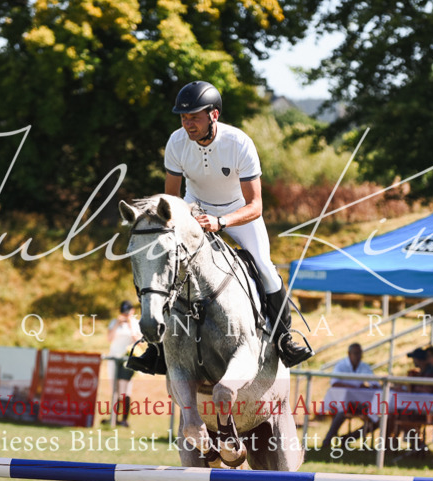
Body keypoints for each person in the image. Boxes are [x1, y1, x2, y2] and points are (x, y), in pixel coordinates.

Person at [127, 80, 313, 375]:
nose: (188, 124)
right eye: (184, 117)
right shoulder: (176, 142)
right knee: (167, 264)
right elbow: (172, 199)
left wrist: (221, 222)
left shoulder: (239, 143)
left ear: (213, 115)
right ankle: (156, 348)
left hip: (237, 212)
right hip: (193, 207)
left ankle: (284, 339)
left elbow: (256, 206)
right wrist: (178, 223)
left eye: (194, 117)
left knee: (264, 266)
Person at [322, 343, 378, 445]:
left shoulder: (364, 367)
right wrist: (355, 386)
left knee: (377, 419)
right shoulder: (341, 365)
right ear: (349, 354)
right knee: (342, 411)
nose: (358, 356)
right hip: (343, 402)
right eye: (356, 353)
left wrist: (366, 386)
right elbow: (335, 383)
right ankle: (327, 440)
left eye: (360, 354)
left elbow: (375, 384)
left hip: (362, 404)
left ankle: (348, 439)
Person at [105, 300, 142, 427]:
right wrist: (117, 324)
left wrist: (131, 326)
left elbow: (140, 342)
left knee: (124, 390)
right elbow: (109, 339)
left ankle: (124, 418)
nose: (125, 315)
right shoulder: (114, 322)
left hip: (127, 359)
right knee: (115, 389)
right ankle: (113, 417)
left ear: (132, 311)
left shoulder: (136, 324)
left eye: (128, 312)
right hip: (114, 357)